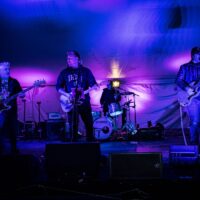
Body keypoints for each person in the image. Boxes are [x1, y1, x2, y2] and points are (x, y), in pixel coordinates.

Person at [56, 50, 98, 142]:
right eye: (67, 58)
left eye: (70, 58)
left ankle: (90, 143)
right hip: (71, 103)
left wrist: (95, 86)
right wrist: (67, 94)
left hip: (84, 102)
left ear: (77, 59)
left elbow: (93, 84)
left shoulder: (86, 71)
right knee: (73, 126)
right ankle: (73, 145)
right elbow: (58, 87)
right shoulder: (64, 72)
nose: (68, 60)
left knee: (89, 124)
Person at [176, 46, 200, 145]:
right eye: (197, 54)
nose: (199, 56)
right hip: (192, 98)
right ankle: (194, 145)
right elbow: (178, 80)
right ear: (193, 55)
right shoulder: (184, 67)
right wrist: (187, 88)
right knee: (194, 122)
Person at [0, 62, 24, 155]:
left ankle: (14, 150)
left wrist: (22, 95)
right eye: (5, 69)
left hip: (12, 110)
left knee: (13, 130)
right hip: (1, 111)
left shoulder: (14, 82)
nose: (8, 70)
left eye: (8, 68)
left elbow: (21, 93)